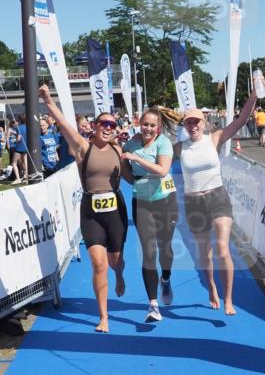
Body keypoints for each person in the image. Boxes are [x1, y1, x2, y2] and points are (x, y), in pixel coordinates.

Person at [39, 85, 127, 332]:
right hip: (91, 212)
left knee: (115, 262)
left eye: (112, 125)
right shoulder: (82, 147)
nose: (108, 128)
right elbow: (63, 123)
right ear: (95, 126)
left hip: (115, 211)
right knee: (98, 263)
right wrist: (48, 100)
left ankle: (119, 274)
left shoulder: (118, 150)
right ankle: (104, 317)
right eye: (104, 124)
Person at [174, 91, 258, 316]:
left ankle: (228, 299)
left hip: (217, 198)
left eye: (196, 121)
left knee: (222, 248)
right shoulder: (179, 148)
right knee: (205, 254)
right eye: (189, 122)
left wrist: (254, 95)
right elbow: (158, 157)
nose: (193, 126)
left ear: (203, 123)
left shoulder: (215, 138)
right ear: (185, 125)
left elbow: (241, 120)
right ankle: (211, 286)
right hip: (194, 202)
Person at [120, 108, 178, 323]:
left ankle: (166, 278)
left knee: (165, 249)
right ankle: (153, 305)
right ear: (139, 123)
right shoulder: (131, 144)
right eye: (145, 124)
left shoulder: (163, 143)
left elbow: (162, 170)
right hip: (142, 202)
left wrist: (136, 158)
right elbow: (125, 169)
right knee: (148, 252)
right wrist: (133, 177)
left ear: (158, 127)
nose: (148, 128)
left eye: (153, 125)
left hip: (166, 201)